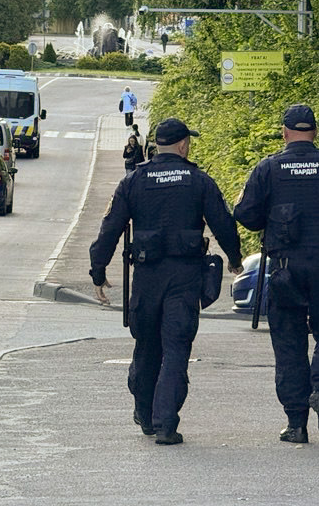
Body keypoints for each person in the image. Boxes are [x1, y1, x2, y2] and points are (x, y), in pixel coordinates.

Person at [89, 118, 244, 445]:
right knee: (175, 348)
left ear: (156, 145)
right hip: (184, 278)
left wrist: (98, 271)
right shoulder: (199, 181)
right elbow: (223, 223)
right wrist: (234, 258)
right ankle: (165, 423)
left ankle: (145, 414)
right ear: (184, 144)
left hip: (146, 279)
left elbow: (110, 228)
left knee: (146, 346)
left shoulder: (134, 181)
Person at [233, 104, 319, 443]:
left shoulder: (268, 169)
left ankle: (296, 424)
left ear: (284, 133)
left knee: (289, 343)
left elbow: (246, 215)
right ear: (316, 132)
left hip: (285, 271)